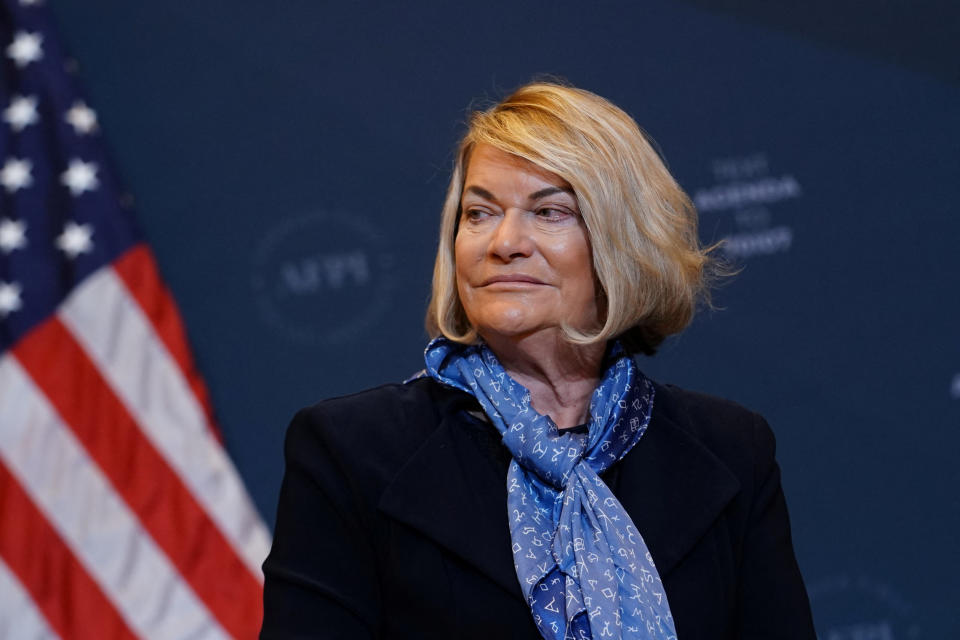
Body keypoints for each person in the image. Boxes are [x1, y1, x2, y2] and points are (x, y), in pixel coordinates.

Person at [259, 81, 815, 639]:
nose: (504, 242)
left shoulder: (730, 451)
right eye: (480, 213)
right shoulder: (353, 452)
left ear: (620, 241)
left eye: (548, 212)